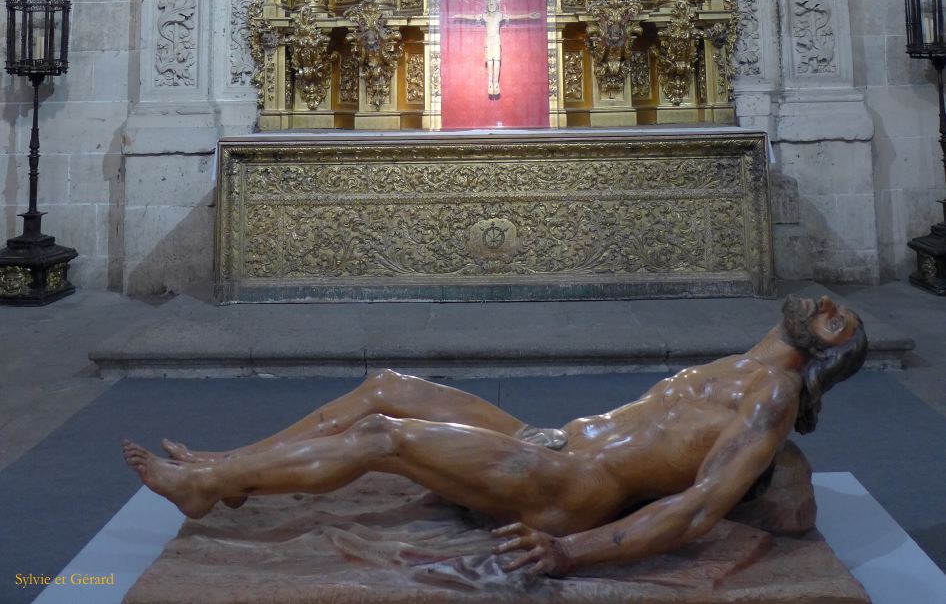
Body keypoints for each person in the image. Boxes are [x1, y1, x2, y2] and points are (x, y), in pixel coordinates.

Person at [123, 295, 865, 578]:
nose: (829, 304)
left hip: (572, 489)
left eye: (839, 323)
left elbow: (701, 508)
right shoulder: (745, 362)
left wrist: (568, 551)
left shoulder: (770, 393)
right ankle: (231, 467)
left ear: (825, 357)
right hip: (554, 443)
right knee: (388, 386)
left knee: (386, 434)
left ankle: (207, 487)